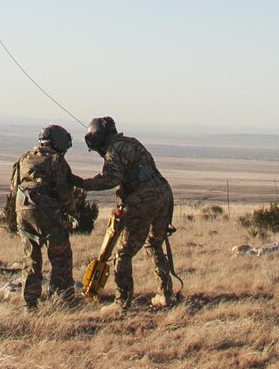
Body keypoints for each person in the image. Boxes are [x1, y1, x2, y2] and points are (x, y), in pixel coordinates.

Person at [76, 116, 177, 309]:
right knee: (154, 245)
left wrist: (82, 184)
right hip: (163, 194)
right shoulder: (132, 143)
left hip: (142, 200)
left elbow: (110, 179)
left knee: (123, 253)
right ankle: (165, 294)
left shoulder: (114, 150)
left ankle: (121, 303)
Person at [9, 124, 80, 308]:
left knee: (31, 260)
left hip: (22, 211)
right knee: (61, 258)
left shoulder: (24, 158)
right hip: (47, 213)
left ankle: (30, 305)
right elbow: (65, 193)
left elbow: (13, 186)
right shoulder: (57, 160)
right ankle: (62, 301)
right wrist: (71, 212)